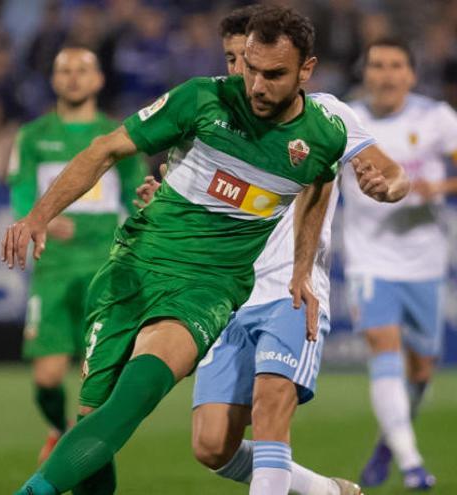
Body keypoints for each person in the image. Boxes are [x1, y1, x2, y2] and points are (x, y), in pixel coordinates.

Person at [3, 6, 348, 494]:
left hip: (206, 289)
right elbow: (106, 149)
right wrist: (39, 215)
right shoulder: (201, 100)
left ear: (305, 71)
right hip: (134, 268)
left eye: (274, 75)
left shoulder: (322, 136)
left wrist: (301, 270)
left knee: (131, 401)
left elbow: (318, 186)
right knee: (91, 417)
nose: (257, 86)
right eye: (249, 68)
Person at [132, 6, 410, 495]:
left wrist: (384, 188)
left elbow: (392, 173)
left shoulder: (326, 117)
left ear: (299, 69)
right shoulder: (213, 115)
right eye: (236, 61)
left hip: (290, 289)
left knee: (269, 413)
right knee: (212, 445)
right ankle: (325, 491)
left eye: (257, 65)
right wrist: (164, 203)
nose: (246, 75)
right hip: (222, 293)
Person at [7, 46, 146, 464]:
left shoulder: (118, 136)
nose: (72, 77)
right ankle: (58, 429)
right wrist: (37, 218)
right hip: (53, 267)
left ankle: (88, 450)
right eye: (63, 69)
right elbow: (21, 190)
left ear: (99, 79)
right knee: (47, 376)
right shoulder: (33, 136)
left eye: (81, 69)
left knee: (97, 374)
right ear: (53, 79)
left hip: (104, 265)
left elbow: (136, 193)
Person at [343, 37, 457, 491]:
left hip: (425, 262)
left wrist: (441, 188)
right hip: (368, 260)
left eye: (395, 65)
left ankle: (389, 443)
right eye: (376, 65)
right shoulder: (347, 121)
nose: (385, 74)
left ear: (410, 75)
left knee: (423, 368)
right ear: (365, 73)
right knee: (382, 346)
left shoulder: (436, 118)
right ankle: (412, 465)